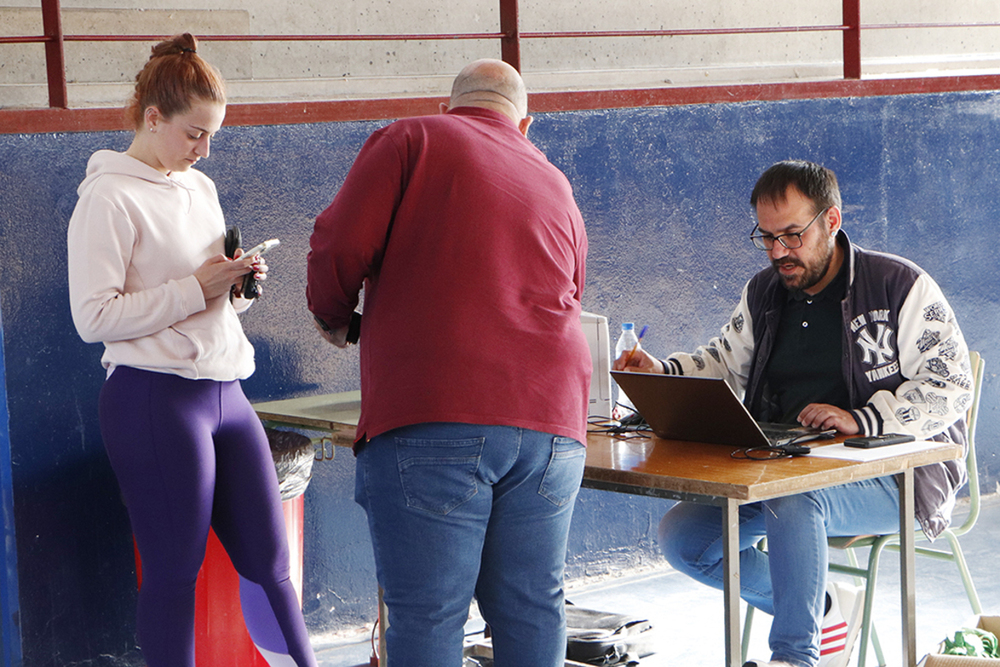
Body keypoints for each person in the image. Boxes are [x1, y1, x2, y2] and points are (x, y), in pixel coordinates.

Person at [614, 160, 971, 667]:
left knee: (796, 500)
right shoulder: (764, 292)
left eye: (792, 235)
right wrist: (663, 369)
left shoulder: (899, 286)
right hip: (784, 464)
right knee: (684, 537)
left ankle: (795, 656)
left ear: (831, 220)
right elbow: (723, 362)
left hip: (896, 474)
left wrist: (864, 419)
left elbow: (953, 387)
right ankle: (821, 610)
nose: (779, 251)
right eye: (766, 237)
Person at [307, 58, 591, 667]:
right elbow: (572, 286)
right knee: (533, 606)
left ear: (449, 107)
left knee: (430, 612)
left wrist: (333, 316)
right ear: (525, 123)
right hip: (553, 425)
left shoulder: (412, 137)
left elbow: (339, 244)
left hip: (437, 411)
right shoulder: (555, 181)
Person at [67, 34, 317, 667]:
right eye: (193, 134)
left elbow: (207, 298)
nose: (204, 150)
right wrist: (194, 287)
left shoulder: (198, 188)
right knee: (176, 571)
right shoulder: (107, 196)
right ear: (153, 118)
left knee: (271, 563)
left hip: (226, 391)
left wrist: (237, 288)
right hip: (153, 398)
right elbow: (92, 317)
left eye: (212, 136)